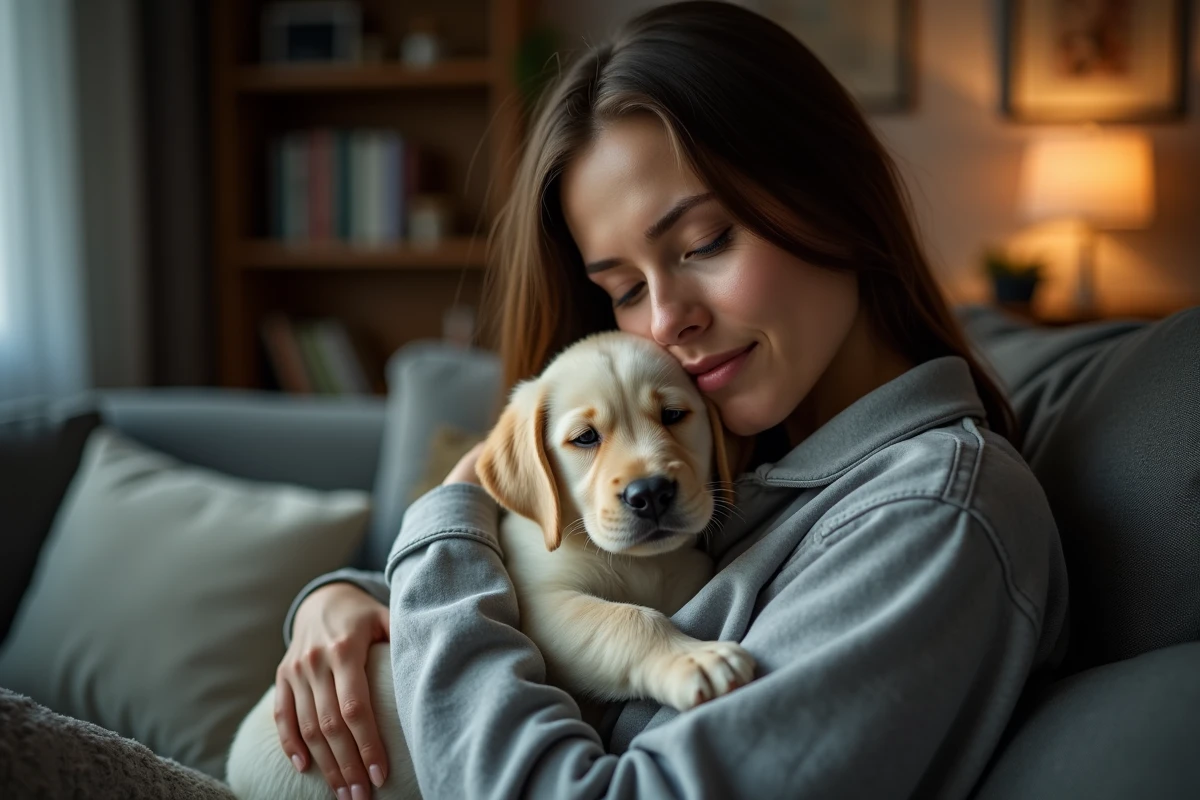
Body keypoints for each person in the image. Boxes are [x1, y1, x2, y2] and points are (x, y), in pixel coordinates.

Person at [271, 3, 1069, 798]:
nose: (662, 321)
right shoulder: (754, 450)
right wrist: (356, 598)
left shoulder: (929, 517)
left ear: (832, 192)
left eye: (706, 243)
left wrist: (439, 542)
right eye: (622, 287)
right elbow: (555, 587)